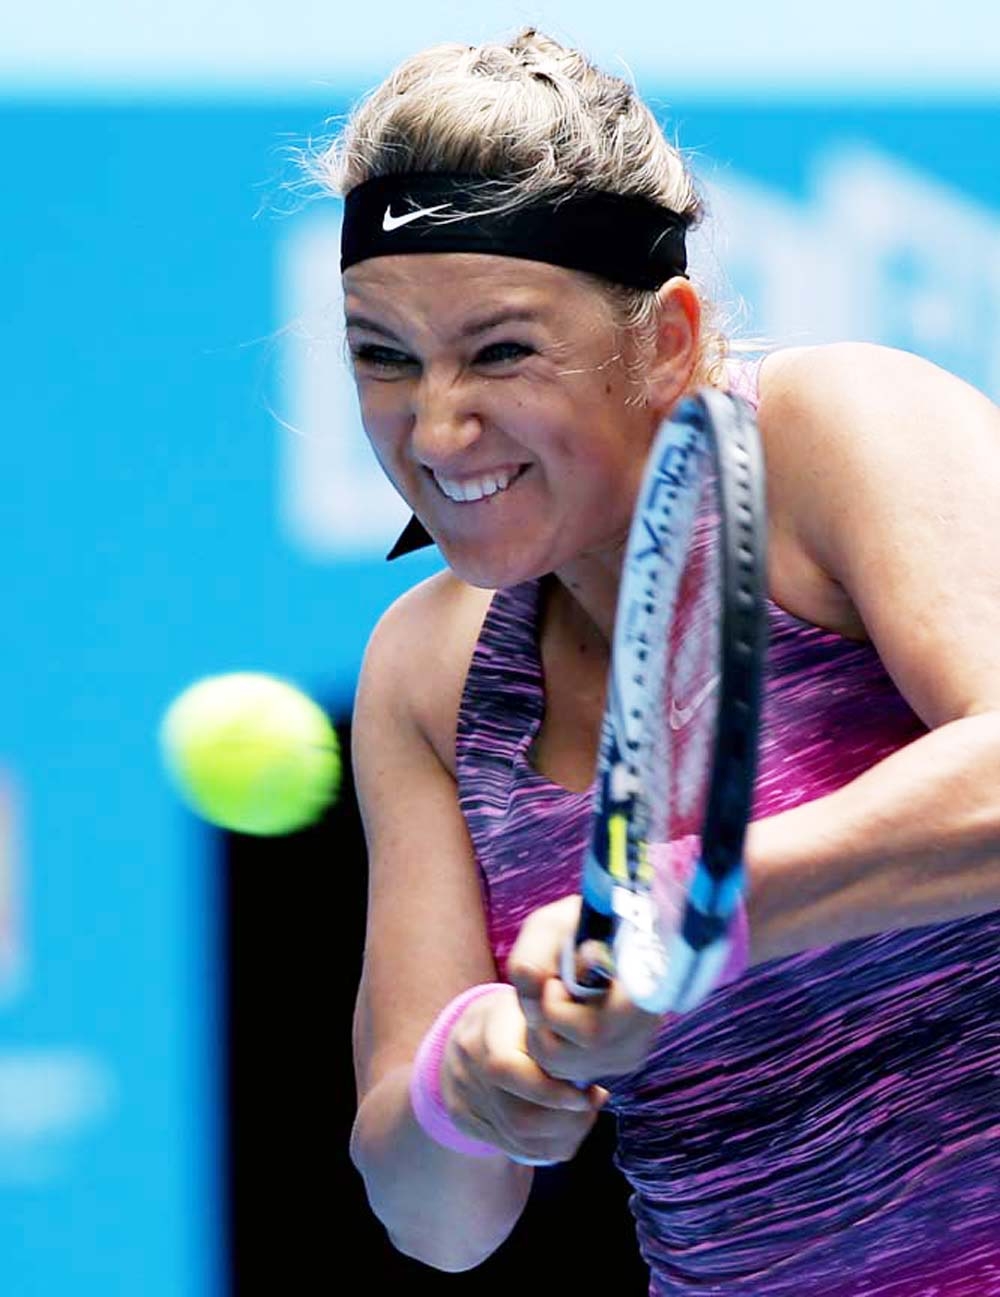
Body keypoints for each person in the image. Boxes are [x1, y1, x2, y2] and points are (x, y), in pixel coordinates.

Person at [320, 28, 1000, 1294]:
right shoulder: (424, 670)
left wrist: (690, 911)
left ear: (669, 340)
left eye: (501, 349)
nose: (436, 423)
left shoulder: (835, 430)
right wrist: (472, 1077)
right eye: (383, 354)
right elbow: (436, 1216)